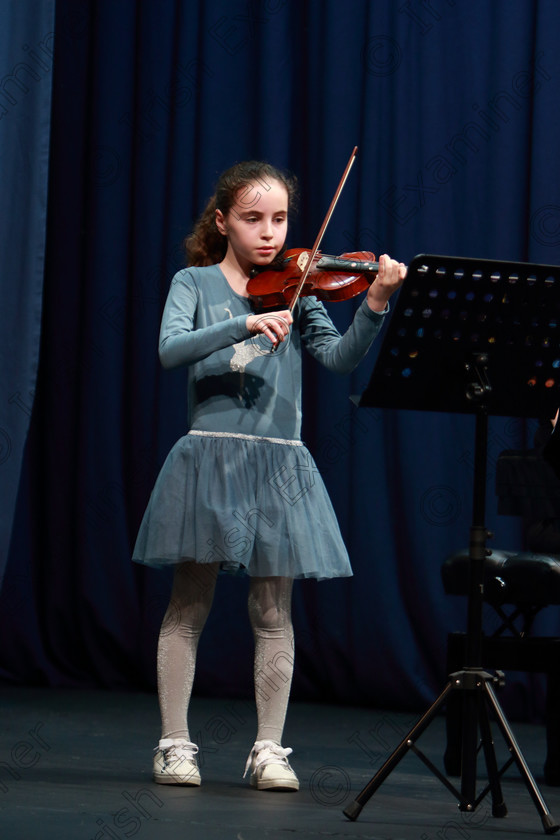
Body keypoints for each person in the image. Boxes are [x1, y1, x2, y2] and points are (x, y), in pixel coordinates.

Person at [132, 160, 406, 792]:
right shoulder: (195, 281)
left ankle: (269, 749)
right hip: (211, 457)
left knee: (272, 610)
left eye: (279, 218)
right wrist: (243, 322)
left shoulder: (300, 286)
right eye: (253, 218)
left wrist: (375, 302)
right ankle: (174, 743)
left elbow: (337, 359)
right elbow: (172, 350)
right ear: (223, 220)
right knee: (189, 606)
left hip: (279, 462)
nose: (269, 233)